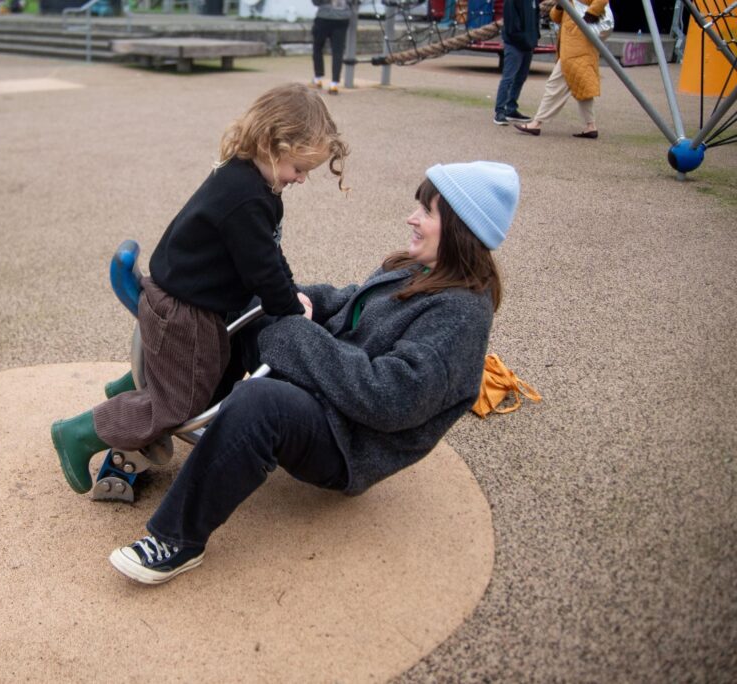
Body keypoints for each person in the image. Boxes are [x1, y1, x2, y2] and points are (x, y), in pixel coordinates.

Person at [107, 160, 521, 585]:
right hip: (333, 388)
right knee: (247, 305)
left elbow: (391, 399)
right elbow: (352, 303)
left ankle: (176, 540)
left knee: (260, 404)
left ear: (462, 230)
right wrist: (290, 297)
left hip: (349, 439)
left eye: (427, 212)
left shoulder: (460, 314)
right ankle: (178, 403)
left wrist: (299, 336)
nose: (411, 218)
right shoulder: (420, 266)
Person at [51, 83, 350, 495]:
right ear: (272, 145)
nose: (300, 179)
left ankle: (131, 388)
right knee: (181, 405)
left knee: (211, 364)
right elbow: (262, 271)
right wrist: (290, 309)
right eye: (299, 168)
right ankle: (81, 433)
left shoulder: (250, 181)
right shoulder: (246, 199)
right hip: (184, 310)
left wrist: (291, 291)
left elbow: (269, 252)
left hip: (185, 298)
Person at [514, 0, 609, 139]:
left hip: (575, 49)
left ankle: (537, 123)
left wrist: (591, 13)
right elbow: (556, 18)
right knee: (583, 89)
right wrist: (559, 6)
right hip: (576, 47)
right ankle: (591, 126)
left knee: (554, 86)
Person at [493, 0, 541, 126]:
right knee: (508, 78)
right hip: (515, 43)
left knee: (520, 78)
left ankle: (511, 108)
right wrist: (524, 38)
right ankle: (500, 111)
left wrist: (534, 37)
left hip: (528, 42)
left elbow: (535, 16)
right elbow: (511, 23)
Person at [310, 0, 353, 95]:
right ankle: (334, 83)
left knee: (318, 47)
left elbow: (316, 2)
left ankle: (318, 78)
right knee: (338, 51)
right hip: (342, 17)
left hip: (324, 17)